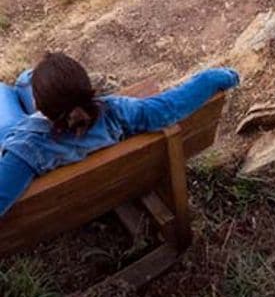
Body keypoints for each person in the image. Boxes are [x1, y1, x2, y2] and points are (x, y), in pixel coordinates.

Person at [0, 53, 239, 219]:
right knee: (25, 79)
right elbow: (170, 107)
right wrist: (215, 78)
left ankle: (25, 81)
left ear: (40, 107)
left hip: (10, 131)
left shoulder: (26, 150)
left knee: (5, 91)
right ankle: (27, 79)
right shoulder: (117, 112)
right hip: (106, 180)